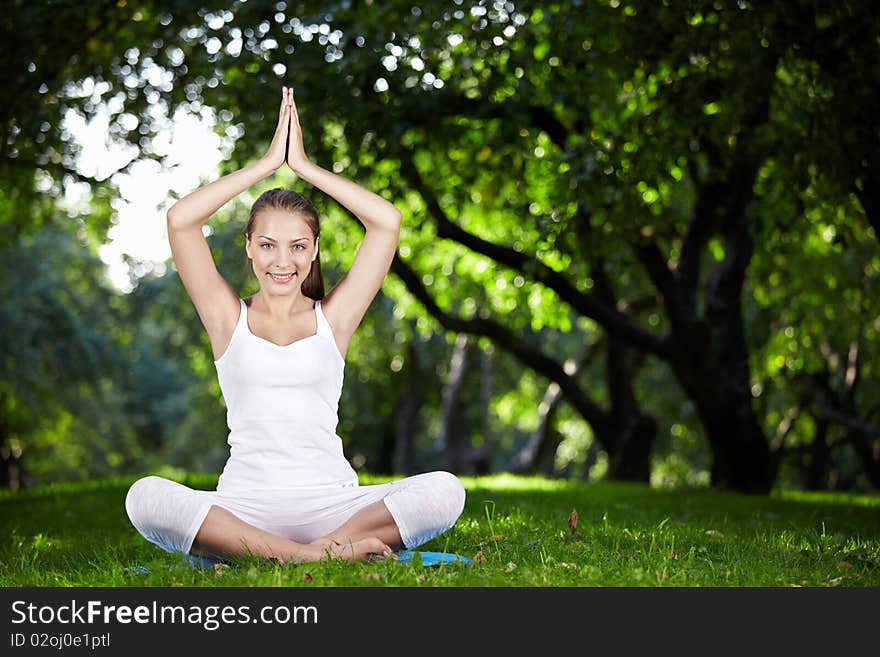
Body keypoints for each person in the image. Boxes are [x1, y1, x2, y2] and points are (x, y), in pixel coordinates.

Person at [125, 87, 466, 564]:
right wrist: (266, 164)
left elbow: (386, 222)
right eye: (267, 245)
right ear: (248, 247)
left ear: (315, 250)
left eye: (298, 246)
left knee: (445, 491)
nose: (282, 261)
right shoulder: (228, 319)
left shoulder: (334, 319)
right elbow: (181, 220)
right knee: (144, 496)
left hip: (334, 504)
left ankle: (299, 550)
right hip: (244, 506)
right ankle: (310, 556)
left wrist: (303, 167)